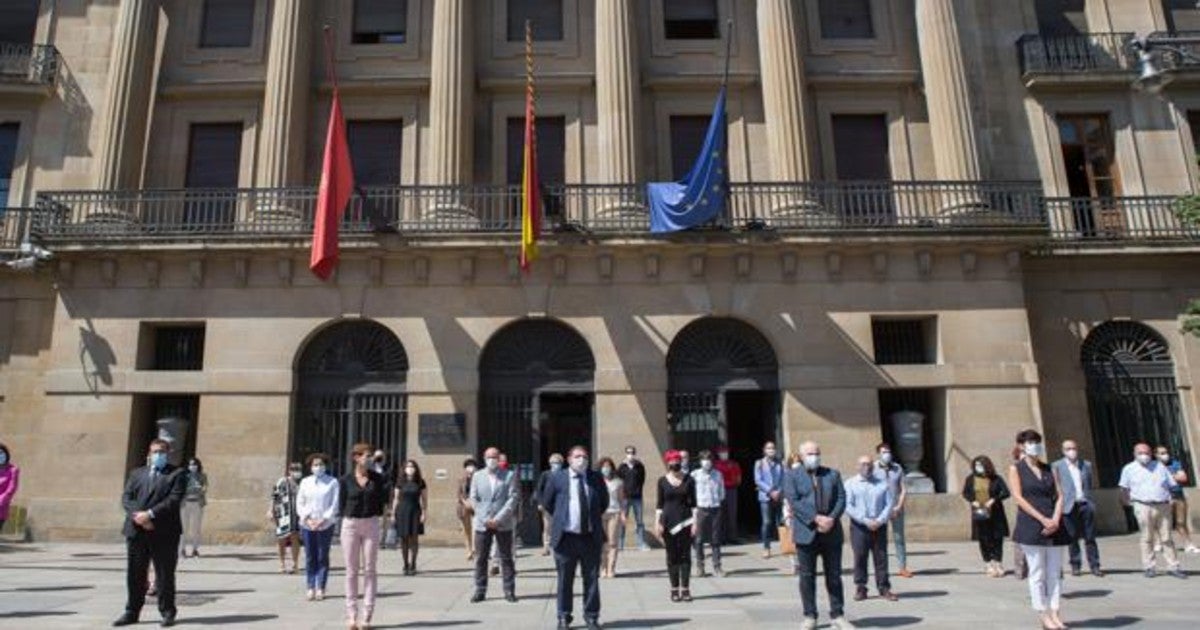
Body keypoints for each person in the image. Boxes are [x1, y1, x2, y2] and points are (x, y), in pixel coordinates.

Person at [113, 439, 186, 628]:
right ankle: (132, 611)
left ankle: (167, 612)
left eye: (161, 451)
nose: (158, 455)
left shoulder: (177, 473)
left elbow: (174, 499)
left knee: (164, 574)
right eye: (154, 452)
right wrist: (139, 516)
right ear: (149, 453)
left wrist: (150, 515)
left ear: (168, 452)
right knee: (135, 573)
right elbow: (127, 497)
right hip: (136, 530)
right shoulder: (137, 473)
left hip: (164, 532)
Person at [783, 441, 852, 630]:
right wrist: (815, 518)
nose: (814, 456)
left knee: (834, 576)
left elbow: (841, 498)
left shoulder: (832, 474)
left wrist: (830, 518)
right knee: (807, 577)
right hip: (807, 533)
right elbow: (793, 501)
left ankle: (837, 615)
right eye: (810, 453)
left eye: (817, 453)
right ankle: (810, 615)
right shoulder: (791, 475)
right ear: (801, 456)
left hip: (831, 533)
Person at [541, 445, 609, 630]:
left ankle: (591, 617)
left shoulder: (596, 478)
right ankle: (564, 616)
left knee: (592, 579)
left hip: (589, 537)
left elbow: (603, 503)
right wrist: (562, 517)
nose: (582, 460)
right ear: (569, 459)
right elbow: (547, 502)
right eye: (578, 456)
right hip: (566, 538)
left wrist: (589, 519)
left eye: (585, 457)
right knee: (564, 580)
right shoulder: (557, 478)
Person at [1009, 429, 1069, 630]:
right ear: (1022, 446)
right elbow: (1018, 497)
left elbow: (1060, 495)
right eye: (1030, 442)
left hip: (1054, 523)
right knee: (1037, 572)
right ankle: (1043, 614)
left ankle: (1055, 611)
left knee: (1055, 572)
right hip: (1031, 523)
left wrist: (1055, 519)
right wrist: (1042, 519)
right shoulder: (1016, 469)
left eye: (1037, 442)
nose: (1035, 445)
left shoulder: (1050, 468)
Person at [339, 442, 389, 629]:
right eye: (366, 455)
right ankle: (352, 615)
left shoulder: (378, 478)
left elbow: (384, 501)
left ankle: (367, 615)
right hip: (350, 524)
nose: (369, 459)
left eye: (370, 456)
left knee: (370, 570)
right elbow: (341, 503)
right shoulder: (345, 480)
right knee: (351, 571)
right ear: (356, 457)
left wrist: (379, 470)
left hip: (371, 523)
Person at [1119, 442, 1186, 579]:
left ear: (1151, 454)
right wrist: (1127, 502)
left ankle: (1173, 566)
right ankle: (1149, 567)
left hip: (1162, 505)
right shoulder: (1129, 469)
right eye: (1141, 453)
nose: (1144, 455)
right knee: (1146, 537)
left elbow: (1172, 484)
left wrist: (1171, 499)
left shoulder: (1160, 467)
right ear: (1134, 454)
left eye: (1147, 453)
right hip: (1142, 505)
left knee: (1167, 537)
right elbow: (1123, 488)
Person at [470, 446, 520, 604]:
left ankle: (509, 589)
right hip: (482, 523)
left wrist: (498, 518)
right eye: (488, 457)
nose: (491, 460)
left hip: (503, 522)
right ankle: (480, 589)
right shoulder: (478, 476)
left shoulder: (509, 475)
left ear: (499, 459)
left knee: (506, 558)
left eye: (494, 457)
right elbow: (473, 498)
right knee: (481, 558)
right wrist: (485, 518)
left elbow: (513, 498)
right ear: (484, 458)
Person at [846, 455, 897, 603]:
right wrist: (865, 520)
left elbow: (889, 504)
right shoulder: (850, 484)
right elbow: (848, 505)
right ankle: (861, 587)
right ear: (857, 466)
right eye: (863, 464)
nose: (866, 467)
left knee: (881, 557)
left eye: (869, 464)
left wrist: (880, 520)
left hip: (879, 525)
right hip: (859, 526)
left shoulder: (882, 484)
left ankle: (884, 587)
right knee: (860, 557)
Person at [1052, 440, 1102, 577]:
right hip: (1069, 505)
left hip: (1084, 504)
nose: (1072, 451)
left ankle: (1095, 565)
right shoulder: (1057, 466)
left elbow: (1089, 484)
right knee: (1072, 537)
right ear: (1063, 451)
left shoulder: (1086, 465)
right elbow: (1056, 487)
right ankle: (1075, 564)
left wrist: (1089, 501)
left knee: (1090, 536)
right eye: (1068, 448)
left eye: (1074, 448)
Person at [297, 452, 338, 601]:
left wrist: (323, 520)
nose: (318, 467)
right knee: (310, 556)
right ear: (310, 467)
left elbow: (334, 504)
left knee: (322, 556)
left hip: (325, 524)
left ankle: (321, 586)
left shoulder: (332, 482)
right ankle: (310, 586)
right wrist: (307, 519)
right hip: (308, 524)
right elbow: (300, 502)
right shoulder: (305, 482)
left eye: (321, 464)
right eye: (315, 465)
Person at [657, 450, 697, 603]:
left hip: (686, 521)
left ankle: (685, 589)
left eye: (677, 461)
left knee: (685, 556)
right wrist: (657, 522)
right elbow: (659, 505)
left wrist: (695, 523)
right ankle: (674, 589)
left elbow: (694, 504)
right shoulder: (662, 481)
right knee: (672, 556)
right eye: (672, 462)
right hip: (668, 522)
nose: (675, 464)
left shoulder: (689, 480)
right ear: (667, 463)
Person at [961, 455, 1010, 577]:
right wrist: (973, 501)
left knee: (997, 538)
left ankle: (998, 563)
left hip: (995, 512)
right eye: (976, 465)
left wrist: (994, 500)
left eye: (981, 465)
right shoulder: (970, 479)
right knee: (984, 538)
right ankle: (988, 563)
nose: (978, 468)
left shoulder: (996, 478)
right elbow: (966, 493)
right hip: (980, 512)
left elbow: (1005, 492)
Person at [875, 443, 911, 578]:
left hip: (896, 506)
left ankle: (903, 567)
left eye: (888, 451)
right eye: (884, 452)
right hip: (880, 508)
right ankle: (881, 568)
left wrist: (898, 506)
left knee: (899, 537)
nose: (887, 454)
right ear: (878, 453)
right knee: (879, 539)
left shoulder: (897, 468)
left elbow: (903, 489)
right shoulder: (873, 468)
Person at [1157, 445, 1199, 554]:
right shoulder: (1154, 467)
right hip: (1163, 498)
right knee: (1162, 523)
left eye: (1166, 452)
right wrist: (1174, 475)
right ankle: (1159, 543)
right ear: (1156, 455)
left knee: (1181, 522)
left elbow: (1183, 478)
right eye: (1161, 453)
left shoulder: (1174, 463)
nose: (1165, 455)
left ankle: (1189, 544)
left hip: (1178, 495)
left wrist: (1167, 476)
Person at [691, 449, 725, 577]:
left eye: (709, 459)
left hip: (715, 507)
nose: (707, 462)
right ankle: (700, 566)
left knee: (715, 539)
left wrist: (717, 501)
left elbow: (721, 492)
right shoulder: (695, 475)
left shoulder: (718, 474)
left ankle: (717, 566)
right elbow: (691, 494)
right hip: (701, 508)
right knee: (699, 539)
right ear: (700, 461)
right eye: (704, 459)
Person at [392, 459, 428, 575]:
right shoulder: (400, 481)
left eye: (412, 466)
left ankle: (413, 564)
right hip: (402, 511)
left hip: (415, 511)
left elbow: (424, 499)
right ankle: (405, 564)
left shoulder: (420, 482)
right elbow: (396, 499)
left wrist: (424, 513)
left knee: (414, 539)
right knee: (404, 539)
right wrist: (393, 514)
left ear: (416, 469)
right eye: (408, 466)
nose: (410, 468)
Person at [269, 462, 302, 574]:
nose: (296, 471)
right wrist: (271, 510)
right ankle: (282, 563)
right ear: (289, 470)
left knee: (295, 538)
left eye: (298, 469)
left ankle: (295, 563)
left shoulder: (303, 483)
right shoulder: (282, 481)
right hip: (283, 514)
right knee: (281, 539)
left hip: (296, 515)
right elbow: (275, 496)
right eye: (293, 469)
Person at [754, 441, 784, 559]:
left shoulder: (780, 463)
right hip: (766, 496)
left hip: (779, 495)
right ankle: (766, 548)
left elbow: (783, 478)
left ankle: (784, 545)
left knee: (780, 522)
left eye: (773, 448)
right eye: (768, 448)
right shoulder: (759, 463)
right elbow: (758, 480)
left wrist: (779, 491)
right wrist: (770, 491)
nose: (771, 450)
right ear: (764, 450)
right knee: (767, 522)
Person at [598, 456, 626, 578]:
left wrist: (623, 514)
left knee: (612, 543)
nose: (606, 468)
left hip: (614, 513)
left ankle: (611, 568)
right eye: (604, 466)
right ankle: (603, 568)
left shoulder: (618, 482)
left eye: (608, 466)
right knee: (602, 543)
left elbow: (622, 500)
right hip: (599, 514)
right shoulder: (596, 481)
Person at [617, 445, 648, 551]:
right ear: (625, 453)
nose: (631, 455)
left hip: (637, 498)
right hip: (625, 498)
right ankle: (620, 544)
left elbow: (642, 480)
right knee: (622, 521)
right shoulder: (622, 467)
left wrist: (638, 490)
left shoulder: (640, 466)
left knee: (640, 521)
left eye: (632, 452)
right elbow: (618, 482)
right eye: (628, 452)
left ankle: (641, 544)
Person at [537, 453, 565, 556]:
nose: (555, 464)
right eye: (553, 462)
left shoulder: (564, 474)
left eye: (557, 462)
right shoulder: (545, 474)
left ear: (562, 463)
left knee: (559, 526)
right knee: (547, 527)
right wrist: (540, 503)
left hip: (560, 505)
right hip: (547, 505)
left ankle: (557, 546)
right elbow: (539, 489)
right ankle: (546, 547)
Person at [783, 452, 805, 576]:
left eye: (798, 462)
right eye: (794, 461)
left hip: (802, 512)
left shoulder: (806, 477)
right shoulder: (787, 477)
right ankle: (794, 565)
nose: (796, 464)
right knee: (791, 539)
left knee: (802, 541)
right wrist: (787, 511)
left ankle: (803, 564)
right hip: (790, 511)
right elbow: (786, 496)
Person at [714, 445, 742, 545]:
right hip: (719, 491)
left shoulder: (734, 464)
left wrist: (734, 484)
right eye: (722, 452)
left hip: (731, 490)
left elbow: (738, 478)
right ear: (718, 454)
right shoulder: (715, 465)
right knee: (720, 515)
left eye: (725, 452)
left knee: (732, 514)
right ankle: (721, 538)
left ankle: (732, 537)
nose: (724, 454)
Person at [180, 457, 207, 558]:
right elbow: (181, 489)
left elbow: (204, 488)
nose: (193, 467)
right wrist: (193, 488)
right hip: (185, 504)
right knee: (183, 528)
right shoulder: (183, 476)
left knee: (196, 528)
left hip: (197, 503)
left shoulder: (202, 476)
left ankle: (195, 549)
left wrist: (198, 489)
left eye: (195, 465)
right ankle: (182, 549)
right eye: (191, 465)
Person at [1009, 445, 1028, 581]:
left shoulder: (1042, 469)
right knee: (1021, 540)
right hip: (1025, 509)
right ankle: (1020, 568)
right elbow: (1017, 494)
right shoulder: (1016, 469)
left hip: (1043, 509)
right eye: (1022, 452)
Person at [372, 450, 395, 549]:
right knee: (372, 520)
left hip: (383, 498)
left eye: (381, 456)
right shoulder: (370, 467)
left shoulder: (389, 468)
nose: (379, 458)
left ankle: (381, 542)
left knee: (383, 521)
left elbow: (390, 482)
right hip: (371, 498)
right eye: (377, 456)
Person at [457, 458, 478, 560]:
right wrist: (465, 502)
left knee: (475, 528)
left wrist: (473, 503)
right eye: (468, 466)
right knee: (466, 530)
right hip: (464, 506)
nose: (470, 468)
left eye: (472, 466)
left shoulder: (479, 478)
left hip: (476, 506)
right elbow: (459, 494)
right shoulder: (461, 479)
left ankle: (474, 548)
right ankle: (468, 550)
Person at [0, 442, 20, 534]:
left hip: (1, 504)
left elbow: (12, 488)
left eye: (1, 453)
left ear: (6, 454)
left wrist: (2, 500)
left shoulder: (13, 469)